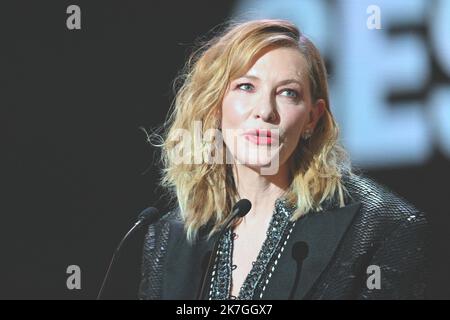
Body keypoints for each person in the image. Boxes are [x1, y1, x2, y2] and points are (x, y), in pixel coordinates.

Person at [138, 19, 428, 300]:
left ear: (312, 119)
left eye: (288, 93)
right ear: (215, 105)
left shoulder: (381, 226)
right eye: (246, 87)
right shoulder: (169, 236)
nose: (265, 111)